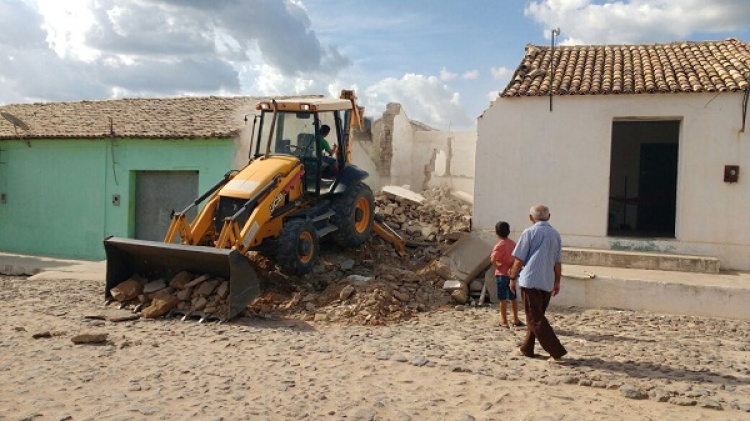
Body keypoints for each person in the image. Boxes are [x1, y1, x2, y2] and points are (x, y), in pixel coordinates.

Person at [508, 204, 567, 363]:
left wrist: (512, 278)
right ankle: (527, 348)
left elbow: (519, 259)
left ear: (531, 218)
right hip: (547, 280)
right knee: (535, 316)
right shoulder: (555, 235)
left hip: (531, 280)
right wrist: (557, 281)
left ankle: (556, 351)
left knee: (535, 318)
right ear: (549, 217)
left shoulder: (529, 233)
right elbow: (557, 262)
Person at [490, 221, 523, 328]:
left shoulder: (499, 246)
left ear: (496, 232)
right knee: (513, 297)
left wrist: (498, 266)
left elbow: (493, 259)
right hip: (511, 274)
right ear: (509, 231)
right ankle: (516, 319)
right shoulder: (513, 244)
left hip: (501, 274)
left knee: (502, 298)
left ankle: (504, 321)